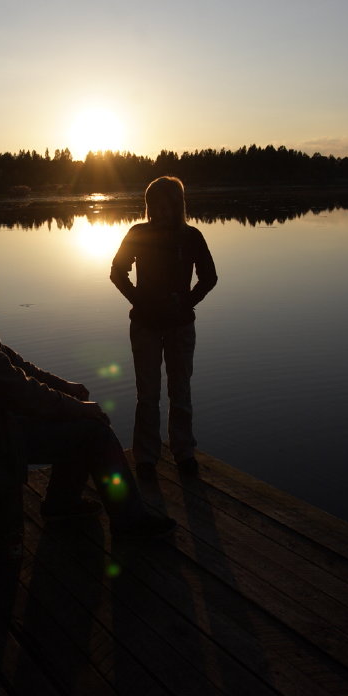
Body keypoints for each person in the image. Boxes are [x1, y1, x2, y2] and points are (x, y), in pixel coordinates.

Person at [0, 245, 175, 556]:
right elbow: (22, 392)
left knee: (75, 418)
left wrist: (63, 387)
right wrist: (80, 408)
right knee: (93, 430)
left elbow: (16, 365)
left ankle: (62, 503)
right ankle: (129, 521)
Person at [110, 176, 217, 481]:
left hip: (181, 326)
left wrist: (187, 303)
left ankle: (183, 452)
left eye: (165, 204)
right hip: (145, 325)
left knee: (180, 391)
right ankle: (146, 457)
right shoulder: (137, 233)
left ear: (177, 205)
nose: (158, 210)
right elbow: (117, 271)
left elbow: (209, 277)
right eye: (153, 204)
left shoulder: (192, 236)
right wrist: (138, 300)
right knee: (147, 394)